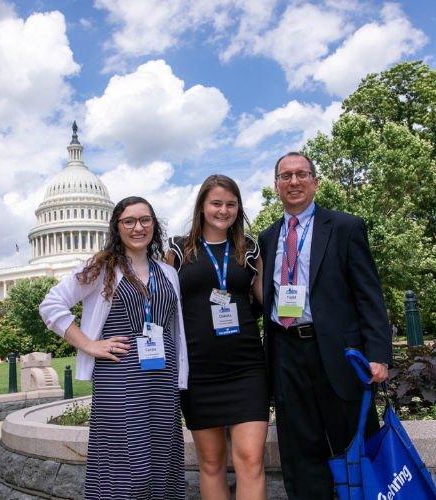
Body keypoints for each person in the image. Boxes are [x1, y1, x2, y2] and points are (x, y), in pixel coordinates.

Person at [258, 153, 392, 500]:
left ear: (315, 182)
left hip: (338, 354)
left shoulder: (346, 227)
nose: (294, 182)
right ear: (276, 187)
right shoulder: (267, 238)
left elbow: (369, 296)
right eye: (285, 176)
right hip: (286, 354)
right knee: (301, 453)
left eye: (301, 174)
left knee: (356, 446)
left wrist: (378, 354)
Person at [40, 196, 188, 500]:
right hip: (120, 376)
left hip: (162, 376)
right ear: (117, 227)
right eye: (129, 221)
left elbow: (175, 327)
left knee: (162, 459)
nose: (138, 227)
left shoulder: (168, 273)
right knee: (127, 463)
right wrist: (89, 345)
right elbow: (51, 305)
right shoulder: (102, 267)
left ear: (154, 225)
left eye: (145, 220)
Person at [167, 175, 268, 500]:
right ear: (201, 207)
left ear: (238, 208)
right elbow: (160, 304)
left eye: (230, 204)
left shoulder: (249, 249)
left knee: (251, 461)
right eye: (216, 203)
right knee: (211, 464)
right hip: (198, 374)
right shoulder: (178, 251)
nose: (223, 210)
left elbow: (268, 299)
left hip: (247, 369)